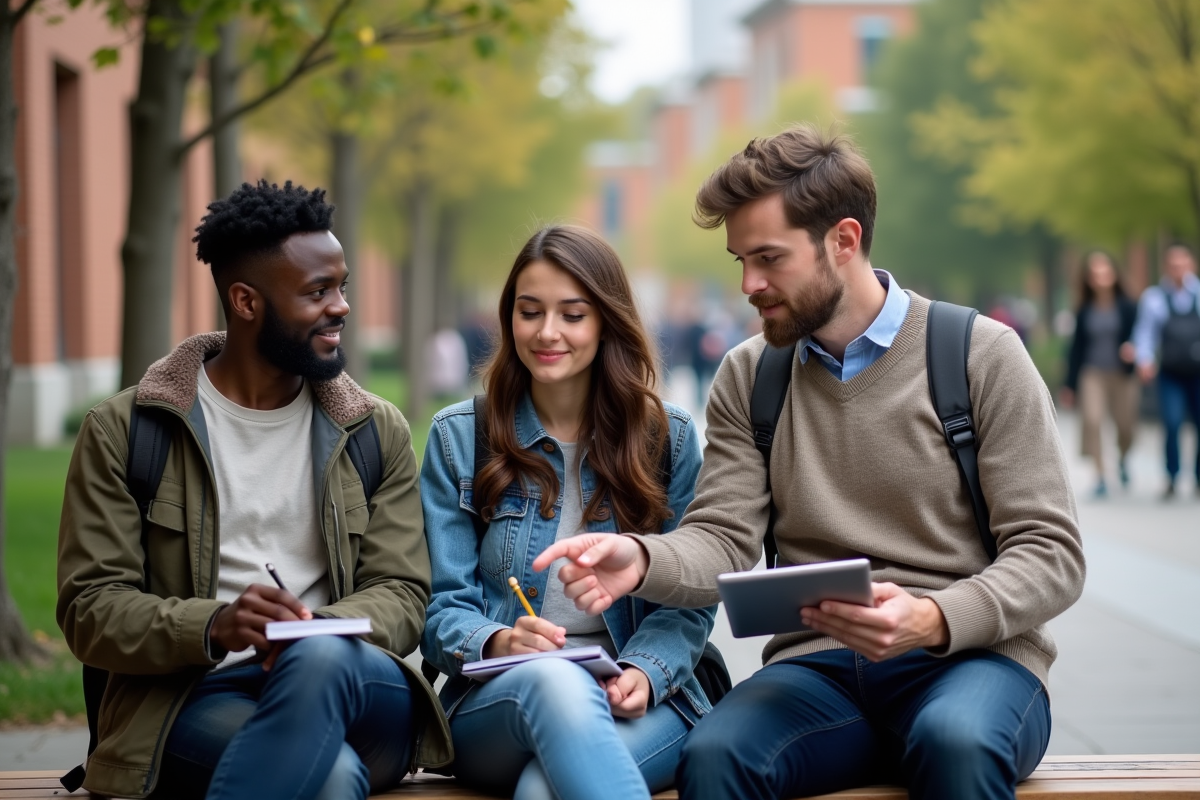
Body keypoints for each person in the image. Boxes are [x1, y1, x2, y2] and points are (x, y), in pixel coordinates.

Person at [535, 127, 1086, 800]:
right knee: (715, 755)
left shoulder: (980, 355)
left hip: (973, 662)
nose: (749, 284)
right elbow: (725, 541)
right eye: (740, 260)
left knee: (955, 743)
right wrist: (643, 560)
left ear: (844, 241)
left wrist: (934, 618)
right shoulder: (749, 376)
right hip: (818, 672)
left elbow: (1051, 552)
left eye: (768, 258)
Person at [56, 181, 450, 800]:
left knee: (316, 661)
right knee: (332, 779)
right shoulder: (127, 431)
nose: (342, 306)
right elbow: (91, 609)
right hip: (195, 694)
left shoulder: (375, 431)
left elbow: (402, 594)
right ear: (246, 301)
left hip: (355, 680)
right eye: (318, 291)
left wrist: (310, 631)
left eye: (342, 286)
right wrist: (217, 625)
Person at [419, 225, 713, 800]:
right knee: (555, 685)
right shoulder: (460, 437)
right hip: (501, 697)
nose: (547, 332)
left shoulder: (668, 439)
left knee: (542, 791)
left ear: (606, 321)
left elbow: (691, 594)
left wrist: (646, 672)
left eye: (572, 315)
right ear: (509, 319)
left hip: (639, 692)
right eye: (530, 312)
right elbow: (440, 607)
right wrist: (498, 640)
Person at [1061, 251, 1140, 496]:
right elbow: (1075, 349)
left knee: (1126, 425)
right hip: (1092, 373)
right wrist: (1069, 385)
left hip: (1122, 374)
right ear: (1088, 279)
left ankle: (1123, 457)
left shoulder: (1128, 306)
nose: (1100, 277)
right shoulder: (1084, 309)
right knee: (1092, 420)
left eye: (1104, 271)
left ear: (1114, 274)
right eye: (1094, 273)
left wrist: (1135, 350)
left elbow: (1141, 337)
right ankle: (1100, 475)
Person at [1132, 244, 1200, 498]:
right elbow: (1145, 333)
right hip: (1170, 372)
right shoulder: (1155, 297)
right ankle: (1172, 475)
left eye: (1183, 263)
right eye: (1173, 264)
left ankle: (1198, 477)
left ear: (1191, 265)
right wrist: (1144, 359)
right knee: (1172, 423)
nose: (1178, 269)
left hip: (1197, 371)